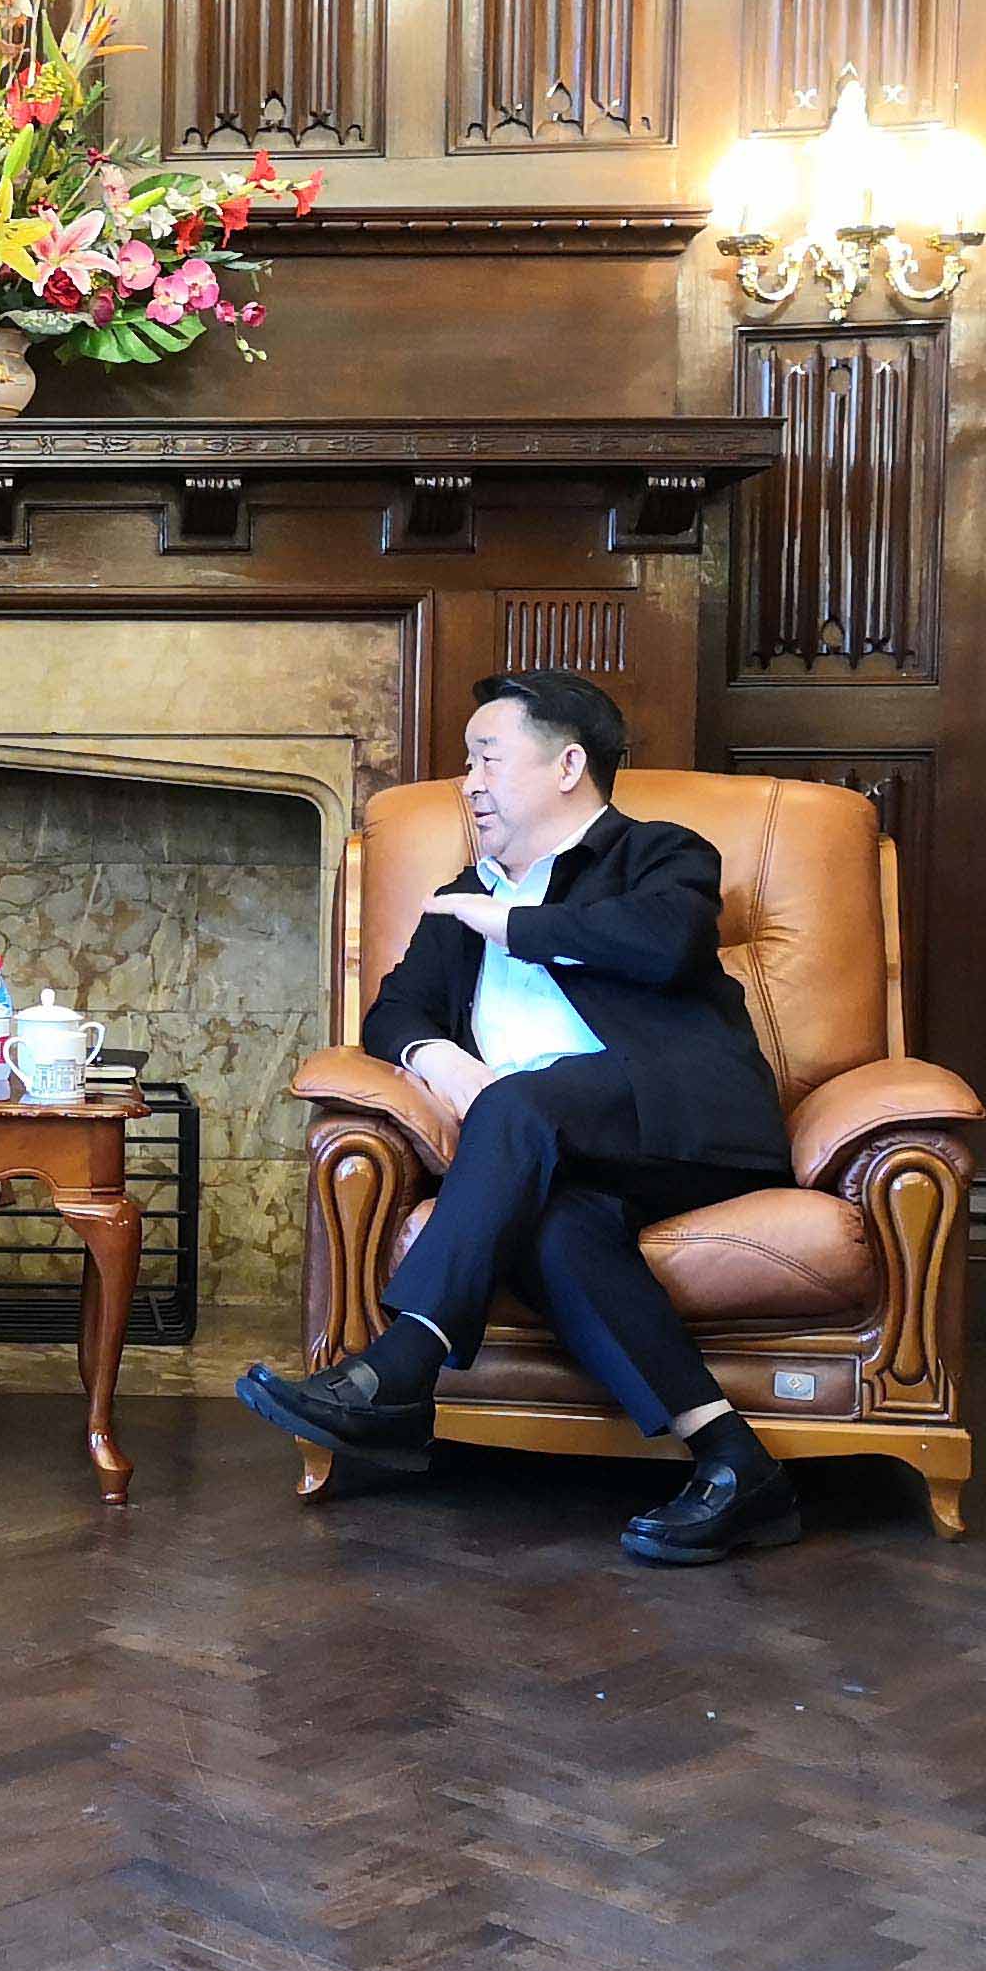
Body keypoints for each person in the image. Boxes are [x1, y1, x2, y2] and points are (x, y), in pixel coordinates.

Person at [235, 669, 803, 1564]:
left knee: (520, 1102)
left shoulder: (658, 853)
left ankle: (402, 1368)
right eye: (468, 763)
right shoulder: (469, 889)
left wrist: (513, 925)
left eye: (487, 758)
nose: (469, 783)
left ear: (568, 765)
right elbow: (394, 1011)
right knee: (556, 1231)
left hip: (684, 1124)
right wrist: (444, 1061)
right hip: (550, 1147)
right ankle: (737, 1463)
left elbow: (663, 944)